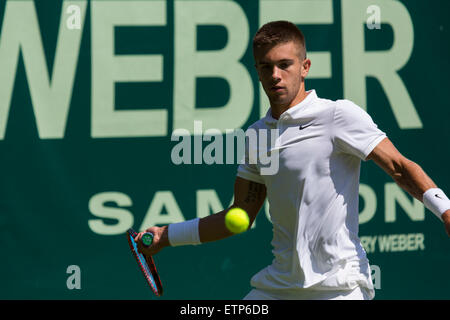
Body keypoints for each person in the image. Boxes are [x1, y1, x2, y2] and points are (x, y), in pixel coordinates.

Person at [136, 21, 450, 300]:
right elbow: (239, 215)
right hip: (280, 286)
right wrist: (167, 236)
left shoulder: (337, 115)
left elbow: (398, 166)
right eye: (265, 67)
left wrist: (446, 210)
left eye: (285, 65)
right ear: (256, 71)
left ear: (305, 66)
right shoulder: (257, 136)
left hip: (339, 288)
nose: (275, 75)